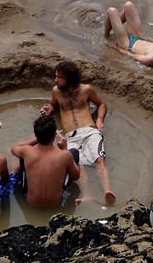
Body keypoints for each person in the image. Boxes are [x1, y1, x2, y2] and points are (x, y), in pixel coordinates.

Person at [39, 61, 115, 204]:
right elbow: (52, 105)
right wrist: (48, 109)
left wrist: (99, 119)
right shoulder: (56, 91)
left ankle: (107, 191)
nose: (56, 80)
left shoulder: (86, 89)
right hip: (71, 135)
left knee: (99, 159)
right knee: (77, 164)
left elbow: (102, 104)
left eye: (59, 77)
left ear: (69, 78)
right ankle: (88, 195)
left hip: (90, 130)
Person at [10, 116, 82, 207]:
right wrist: (64, 148)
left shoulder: (27, 151)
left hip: (31, 202)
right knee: (74, 153)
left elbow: (14, 148)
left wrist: (37, 139)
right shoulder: (64, 155)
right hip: (55, 203)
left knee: (22, 157)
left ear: (36, 135)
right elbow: (76, 176)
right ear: (53, 137)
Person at [104, 1, 153, 66]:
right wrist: (146, 37)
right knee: (129, 5)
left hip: (127, 45)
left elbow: (131, 55)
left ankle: (106, 35)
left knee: (111, 11)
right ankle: (114, 25)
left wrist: (115, 47)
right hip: (139, 38)